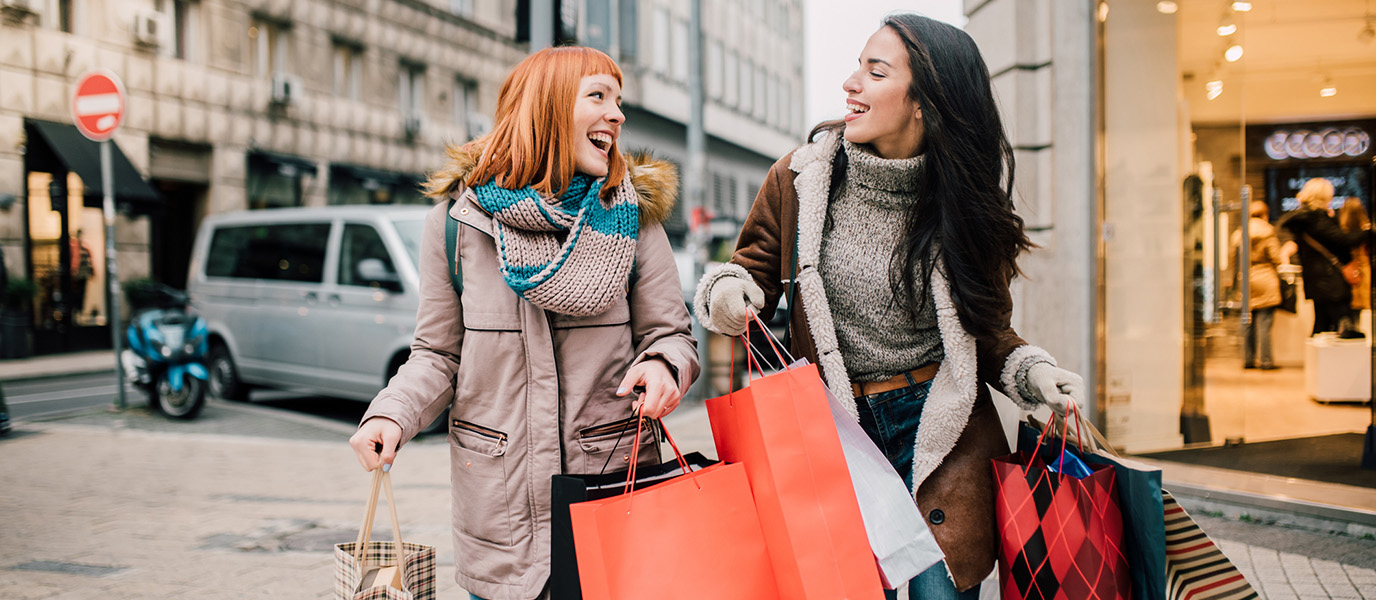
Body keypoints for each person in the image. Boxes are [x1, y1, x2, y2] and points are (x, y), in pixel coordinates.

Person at [693, 14, 1085, 599]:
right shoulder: (800, 179)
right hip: (834, 431)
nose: (851, 83)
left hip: (943, 433)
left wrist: (1036, 373)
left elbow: (989, 333)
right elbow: (747, 270)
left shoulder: (965, 202)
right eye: (857, 66)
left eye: (874, 72)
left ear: (925, 102)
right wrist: (728, 294)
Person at [348, 46, 699, 600]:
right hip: (502, 517)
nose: (617, 114)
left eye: (619, 100)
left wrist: (662, 366)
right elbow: (438, 354)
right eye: (599, 97)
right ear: (549, 108)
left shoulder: (634, 216)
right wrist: (390, 415)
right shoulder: (455, 222)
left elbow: (671, 336)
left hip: (610, 492)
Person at [1282, 178, 1368, 335]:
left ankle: (1320, 359)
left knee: (1322, 325)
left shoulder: (1307, 220)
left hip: (1319, 280)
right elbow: (1343, 240)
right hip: (1329, 280)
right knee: (1341, 326)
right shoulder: (1316, 220)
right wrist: (1368, 231)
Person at [1231, 200, 1283, 369]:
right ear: (1265, 214)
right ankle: (1266, 361)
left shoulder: (1239, 233)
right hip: (1265, 278)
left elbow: (1234, 260)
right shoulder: (1268, 232)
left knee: (1246, 322)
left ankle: (1247, 359)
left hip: (1246, 280)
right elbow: (1276, 258)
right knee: (1264, 324)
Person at [1339, 198, 1370, 324]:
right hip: (1365, 270)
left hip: (1347, 271)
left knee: (1351, 312)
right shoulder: (1368, 231)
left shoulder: (1340, 232)